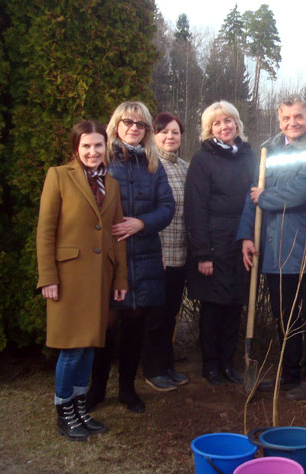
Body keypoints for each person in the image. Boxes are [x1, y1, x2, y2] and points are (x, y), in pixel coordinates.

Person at [36, 120, 128, 441]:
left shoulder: (112, 185)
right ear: (76, 147)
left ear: (106, 146)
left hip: (100, 278)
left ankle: (79, 408)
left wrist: (120, 278)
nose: (92, 152)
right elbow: (46, 230)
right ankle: (64, 412)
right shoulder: (59, 176)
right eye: (86, 146)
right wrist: (48, 276)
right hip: (68, 277)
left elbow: (117, 236)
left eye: (98, 145)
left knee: (89, 348)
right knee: (72, 349)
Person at [237, 95, 306, 401]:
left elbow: (303, 190)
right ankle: (289, 374)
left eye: (298, 117)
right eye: (286, 118)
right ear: (279, 120)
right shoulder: (269, 149)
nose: (292, 123)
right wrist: (247, 236)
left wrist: (265, 197)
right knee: (283, 317)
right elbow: (252, 193)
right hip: (274, 248)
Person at [86, 101, 175, 414]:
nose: (135, 128)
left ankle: (127, 389)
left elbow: (167, 207)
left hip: (145, 253)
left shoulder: (153, 164)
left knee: (135, 324)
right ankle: (96, 388)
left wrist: (141, 223)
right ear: (116, 125)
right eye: (129, 122)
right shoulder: (103, 159)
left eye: (141, 125)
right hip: (109, 255)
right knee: (106, 324)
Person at [184, 101, 255, 386]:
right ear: (209, 129)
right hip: (213, 243)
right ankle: (210, 365)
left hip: (241, 241)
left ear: (237, 124)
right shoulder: (203, 159)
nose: (224, 127)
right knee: (214, 307)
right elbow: (195, 207)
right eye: (217, 123)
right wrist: (203, 253)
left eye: (228, 121)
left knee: (235, 304)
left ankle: (229, 362)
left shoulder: (249, 156)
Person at [142, 112, 190, 392]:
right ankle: (153, 369)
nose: (170, 137)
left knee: (171, 312)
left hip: (181, 252)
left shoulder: (185, 167)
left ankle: (167, 364)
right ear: (154, 135)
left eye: (175, 132)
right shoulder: (149, 165)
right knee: (155, 314)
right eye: (164, 132)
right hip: (158, 252)